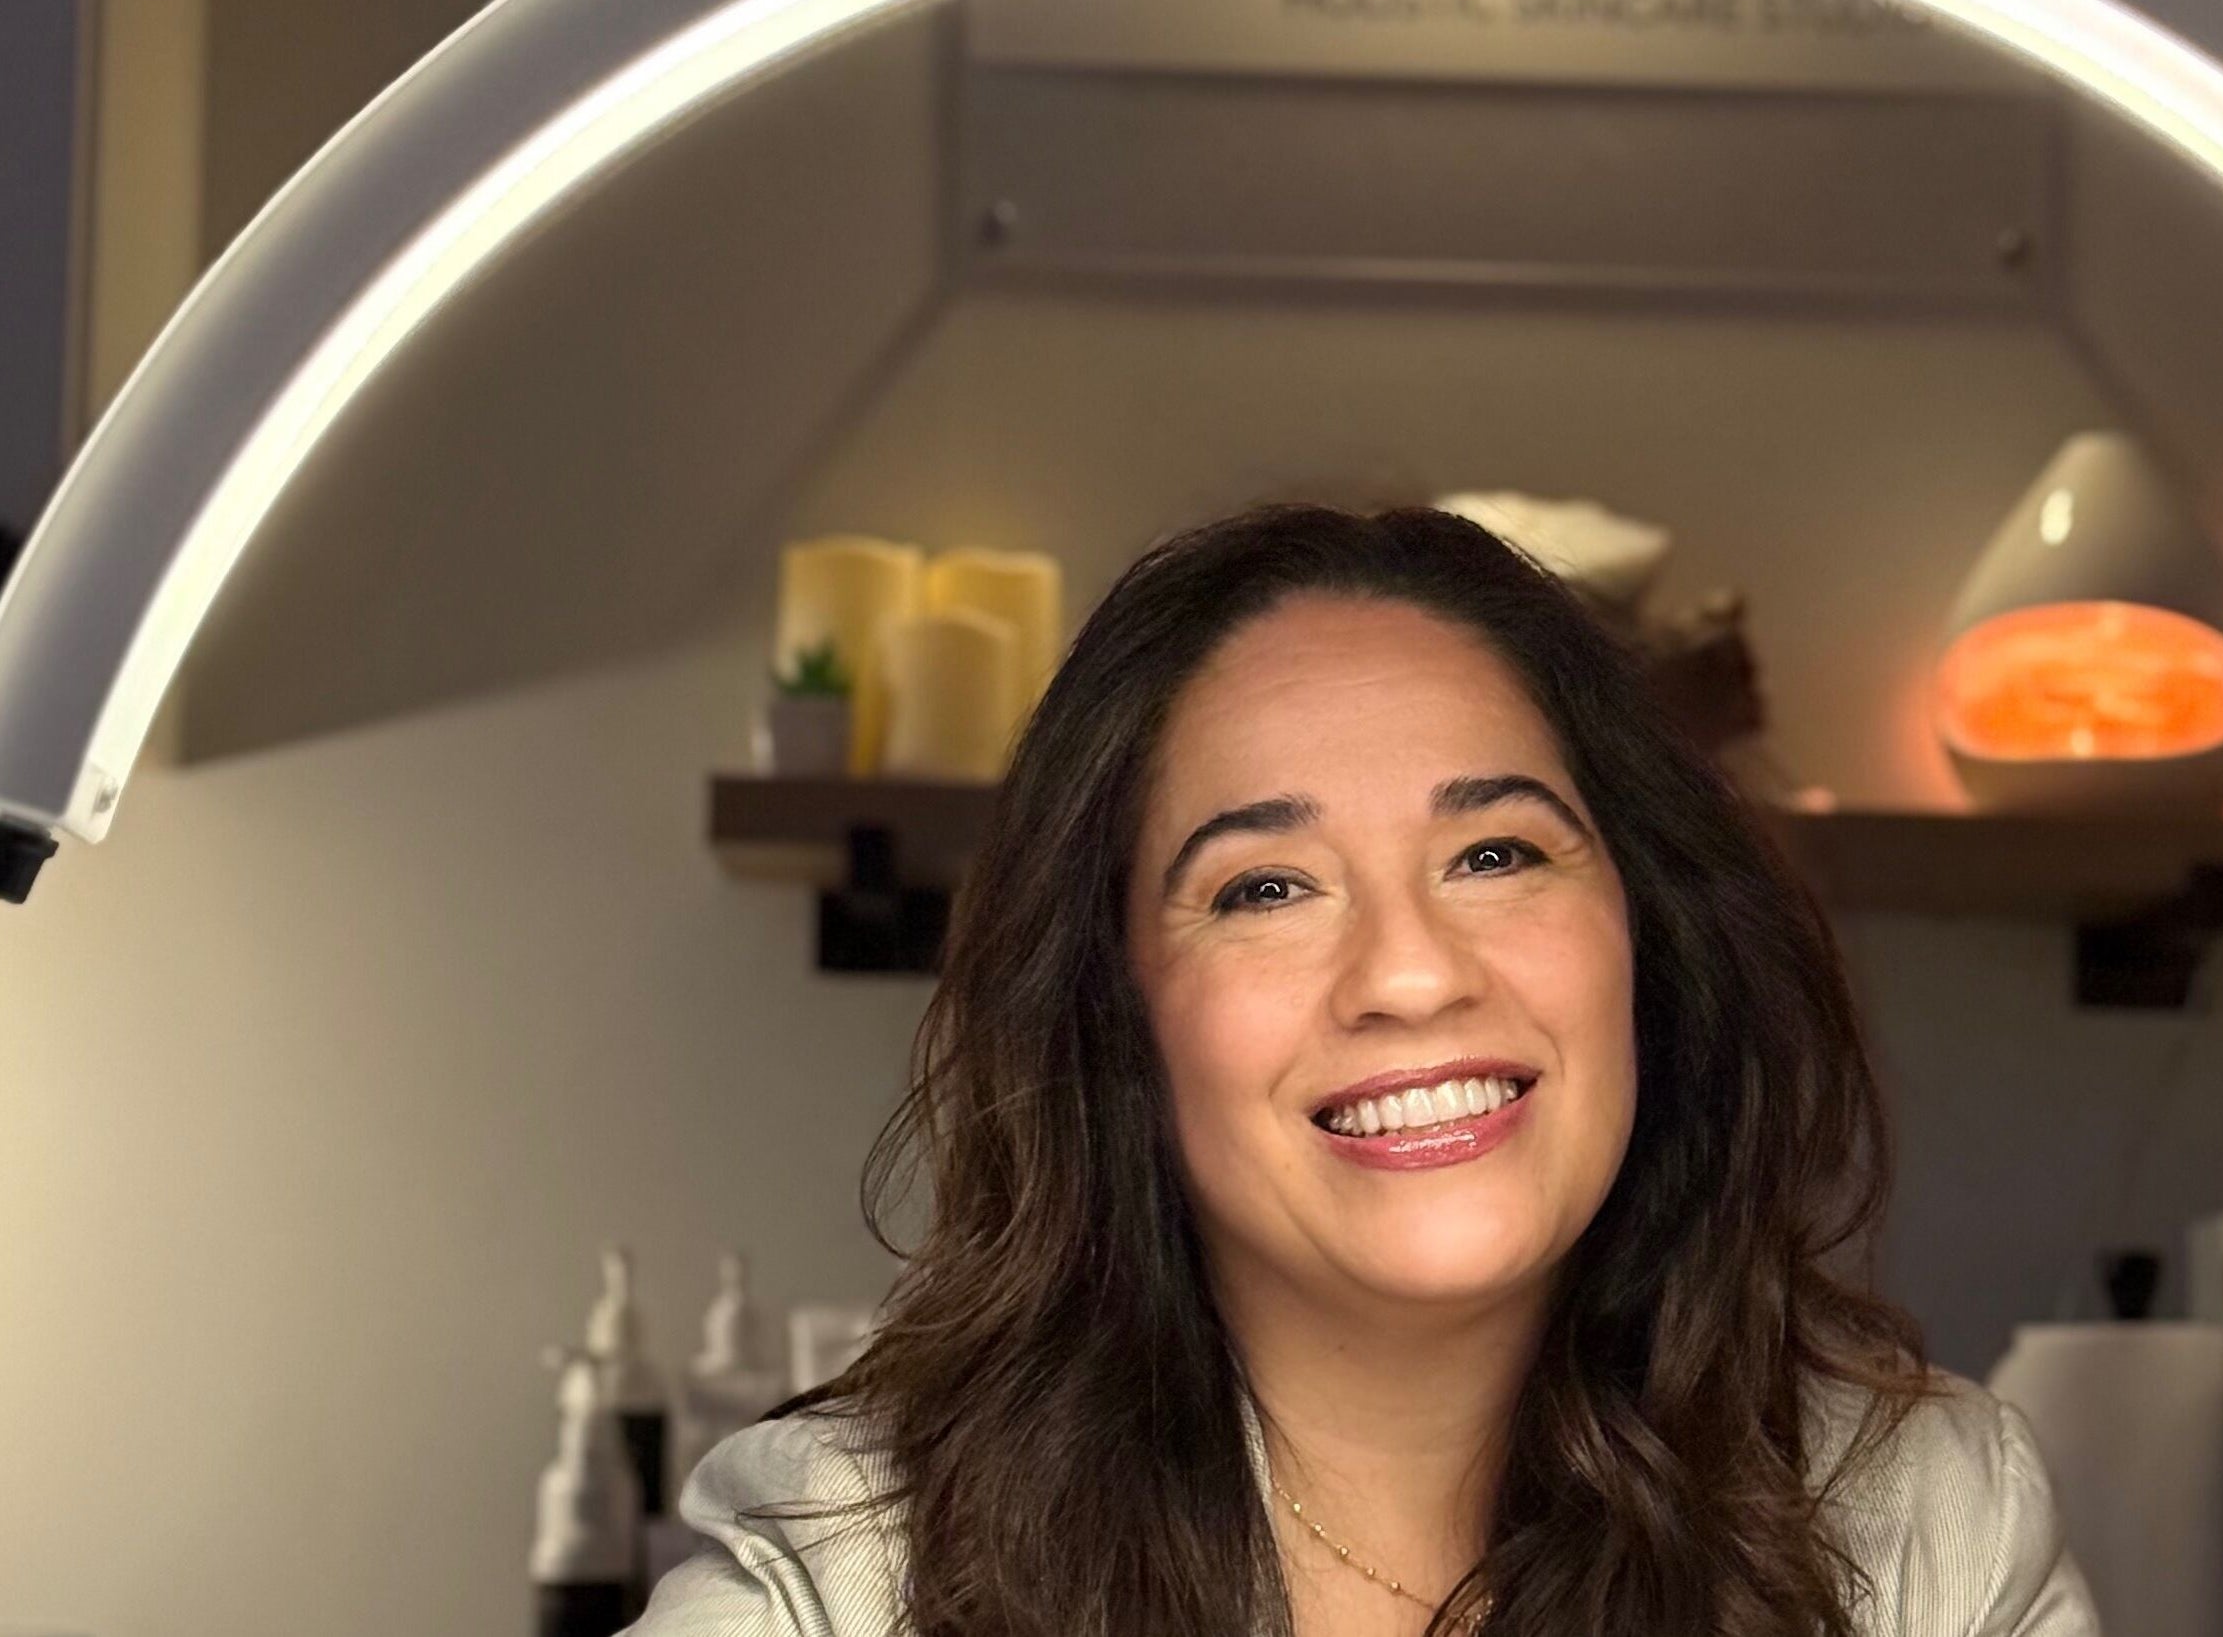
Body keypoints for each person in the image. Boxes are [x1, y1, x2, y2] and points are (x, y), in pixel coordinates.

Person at [627, 501, 2099, 1637]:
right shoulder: (853, 1577)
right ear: (1117, 1017)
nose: (1410, 972)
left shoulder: (1926, 1526)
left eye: (1496, 853)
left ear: (1646, 936)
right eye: (1265, 887)